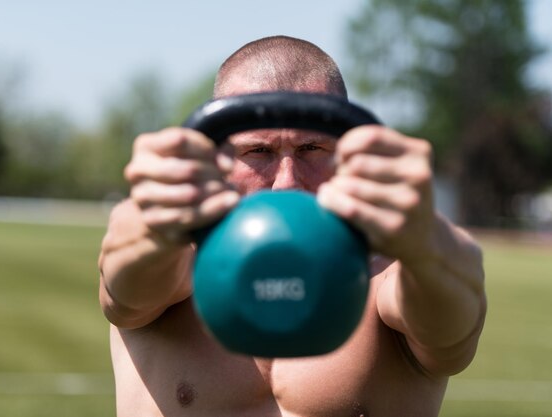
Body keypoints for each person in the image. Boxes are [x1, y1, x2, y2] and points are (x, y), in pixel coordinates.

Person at [98, 35, 486, 417]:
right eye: (258, 151)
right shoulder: (169, 259)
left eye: (312, 149)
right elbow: (125, 282)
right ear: (218, 157)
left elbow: (453, 330)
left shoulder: (395, 276)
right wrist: (152, 217)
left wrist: (427, 241)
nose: (287, 181)